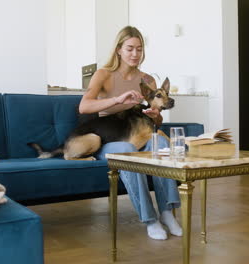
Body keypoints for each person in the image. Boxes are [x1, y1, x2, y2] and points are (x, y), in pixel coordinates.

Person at [78, 26, 182, 240]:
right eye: (130, 49)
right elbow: (84, 106)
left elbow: (158, 122)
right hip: (111, 140)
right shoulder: (103, 74)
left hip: (140, 135)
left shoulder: (148, 80)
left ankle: (167, 212)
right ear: (118, 49)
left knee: (161, 144)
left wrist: (155, 115)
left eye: (139, 49)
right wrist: (117, 100)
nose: (135, 54)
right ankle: (150, 219)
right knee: (127, 150)